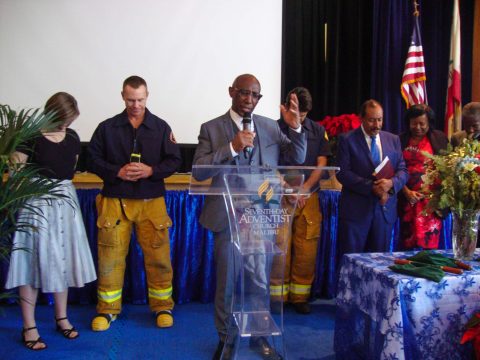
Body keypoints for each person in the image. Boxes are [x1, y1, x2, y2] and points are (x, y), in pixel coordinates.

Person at [193, 74, 306, 360]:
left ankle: (260, 338)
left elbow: (297, 156)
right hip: (227, 218)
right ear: (231, 92)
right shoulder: (211, 128)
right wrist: (231, 147)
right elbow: (199, 171)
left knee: (259, 282)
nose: (249, 99)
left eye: (255, 95)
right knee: (228, 283)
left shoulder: (269, 126)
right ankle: (227, 339)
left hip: (262, 217)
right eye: (243, 93)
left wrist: (295, 129)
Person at [87, 76, 181, 331]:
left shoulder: (161, 127)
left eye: (140, 99)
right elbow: (91, 159)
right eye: (131, 100)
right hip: (114, 201)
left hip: (152, 202)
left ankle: (163, 306)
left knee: (159, 257)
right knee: (110, 258)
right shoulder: (106, 128)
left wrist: (151, 171)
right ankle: (107, 311)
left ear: (147, 96)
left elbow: (175, 160)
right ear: (122, 96)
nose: (136, 105)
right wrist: (115, 171)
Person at [5, 92, 97, 350]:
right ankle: (29, 327)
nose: (66, 126)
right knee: (30, 264)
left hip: (65, 203)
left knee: (63, 259)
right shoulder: (31, 136)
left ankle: (62, 318)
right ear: (52, 113)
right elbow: (15, 174)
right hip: (36, 204)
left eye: (70, 121)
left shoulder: (73, 137)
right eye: (63, 120)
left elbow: (71, 170)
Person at [270, 87, 330, 315]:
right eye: (297, 112)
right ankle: (278, 296)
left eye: (304, 115)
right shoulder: (274, 128)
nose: (300, 118)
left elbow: (322, 162)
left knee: (307, 247)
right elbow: (270, 163)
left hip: (309, 197)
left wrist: (304, 189)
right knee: (279, 245)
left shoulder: (318, 130)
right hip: (281, 196)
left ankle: (300, 296)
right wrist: (287, 189)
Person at [336, 99, 408, 260]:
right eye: (371, 120)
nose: (376, 125)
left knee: (380, 263)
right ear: (361, 118)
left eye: (380, 119)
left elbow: (403, 171)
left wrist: (391, 184)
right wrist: (372, 187)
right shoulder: (347, 140)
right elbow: (342, 173)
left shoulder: (393, 140)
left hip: (384, 213)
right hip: (356, 214)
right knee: (353, 262)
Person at [398, 104, 448, 250]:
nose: (418, 127)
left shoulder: (440, 138)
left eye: (422, 123)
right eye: (414, 123)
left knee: (429, 246)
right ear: (408, 123)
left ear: (429, 123)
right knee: (407, 246)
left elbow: (447, 167)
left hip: (431, 204)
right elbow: (393, 168)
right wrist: (406, 191)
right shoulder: (399, 140)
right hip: (406, 200)